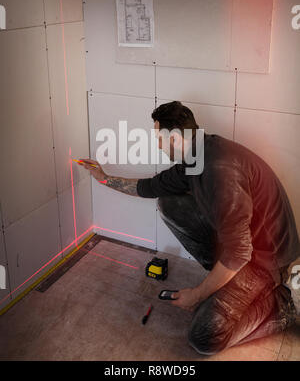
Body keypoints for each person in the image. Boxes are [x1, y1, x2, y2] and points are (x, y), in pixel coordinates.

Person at [79, 101, 300, 355]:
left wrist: (197, 294)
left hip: (266, 261)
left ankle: (283, 306)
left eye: (159, 138)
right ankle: (224, 278)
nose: (158, 145)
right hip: (243, 247)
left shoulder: (220, 170)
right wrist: (103, 177)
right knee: (169, 203)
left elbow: (239, 253)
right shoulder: (196, 157)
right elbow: (150, 187)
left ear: (174, 137)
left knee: (204, 337)